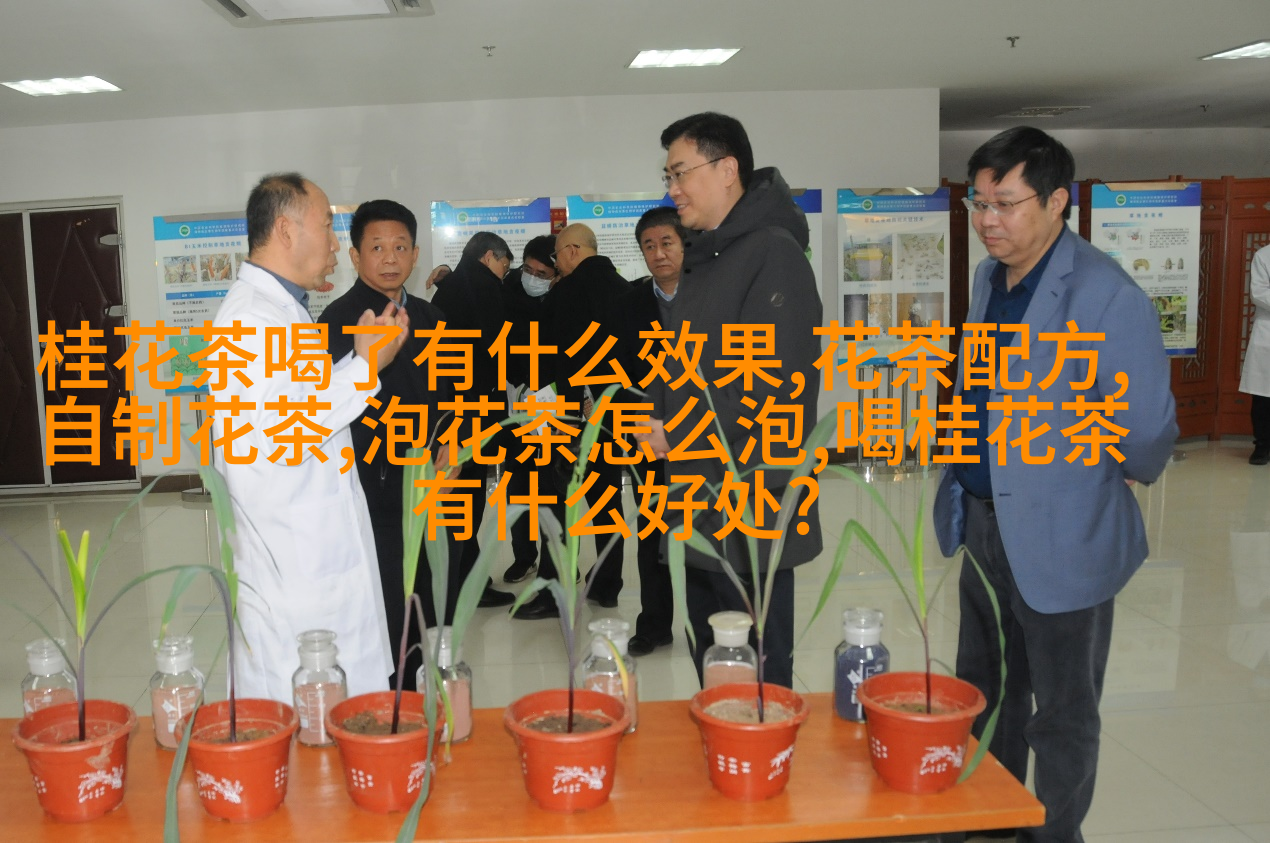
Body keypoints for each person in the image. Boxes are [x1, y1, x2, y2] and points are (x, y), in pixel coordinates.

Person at [933, 126, 1179, 843]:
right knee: (988, 694)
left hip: (1064, 534)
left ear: (1056, 201)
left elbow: (1145, 429)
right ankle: (992, 824)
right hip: (983, 523)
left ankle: (1055, 833)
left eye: (1005, 204)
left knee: (1063, 712)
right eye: (979, 204)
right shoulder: (989, 279)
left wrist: (1096, 473)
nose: (988, 221)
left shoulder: (1105, 294)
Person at [637, 113, 822, 689]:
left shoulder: (772, 254)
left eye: (680, 173)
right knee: (714, 663)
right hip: (700, 498)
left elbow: (772, 385)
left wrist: (676, 432)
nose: (672, 189)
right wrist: (654, 408)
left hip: (749, 507)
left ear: (727, 170)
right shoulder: (709, 255)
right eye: (668, 176)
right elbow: (689, 361)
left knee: (757, 674)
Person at [210, 173, 409, 702]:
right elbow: (284, 429)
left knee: (335, 698)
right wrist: (366, 368)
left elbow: (299, 400)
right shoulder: (250, 321)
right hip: (292, 560)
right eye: (326, 226)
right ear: (286, 230)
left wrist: (360, 359)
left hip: (313, 544)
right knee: (301, 705)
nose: (335, 244)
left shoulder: (285, 310)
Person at [318, 199, 449, 691]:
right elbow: (331, 409)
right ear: (355, 256)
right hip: (372, 486)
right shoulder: (336, 321)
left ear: (415, 254)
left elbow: (456, 392)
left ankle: (426, 692)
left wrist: (453, 444)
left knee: (431, 595)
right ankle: (391, 700)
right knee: (387, 597)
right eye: (377, 247)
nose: (390, 258)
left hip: (433, 481)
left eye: (400, 247)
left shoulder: (434, 317)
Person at [517, 223, 631, 620]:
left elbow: (552, 359)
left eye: (557, 255)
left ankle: (556, 590)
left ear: (571, 251)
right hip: (611, 415)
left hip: (564, 418)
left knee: (557, 502)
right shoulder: (626, 290)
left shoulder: (564, 294)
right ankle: (608, 585)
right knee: (608, 500)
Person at [429, 232, 517, 610]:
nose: (505, 274)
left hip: (448, 409)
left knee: (458, 497)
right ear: (488, 257)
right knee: (469, 496)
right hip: (473, 410)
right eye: (504, 265)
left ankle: (461, 576)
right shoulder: (483, 288)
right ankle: (466, 582)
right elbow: (499, 346)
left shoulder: (451, 287)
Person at [610, 206, 684, 655]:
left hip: (705, 435)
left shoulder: (713, 294)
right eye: (649, 246)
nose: (659, 253)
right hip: (649, 436)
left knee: (710, 530)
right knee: (652, 530)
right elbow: (617, 373)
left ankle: (715, 626)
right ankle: (654, 624)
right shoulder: (629, 304)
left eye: (667, 243)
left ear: (685, 243)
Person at [500, 235, 566, 587]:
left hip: (553, 408)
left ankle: (557, 561)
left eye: (542, 274)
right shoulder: (507, 291)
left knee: (552, 489)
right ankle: (523, 556)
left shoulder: (564, 299)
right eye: (528, 269)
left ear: (556, 275)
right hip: (515, 404)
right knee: (518, 487)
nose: (532, 278)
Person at [1239, 244, 1270, 465]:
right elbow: (1258, 293)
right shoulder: (1264, 255)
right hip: (1268, 332)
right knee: (1263, 396)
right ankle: (1262, 445)